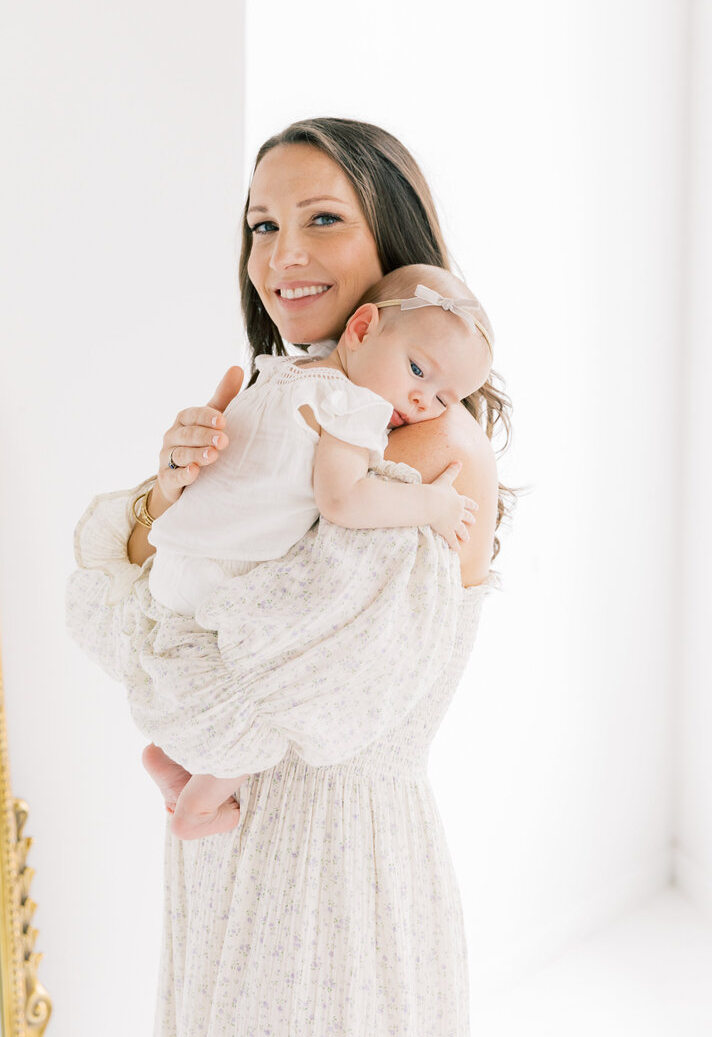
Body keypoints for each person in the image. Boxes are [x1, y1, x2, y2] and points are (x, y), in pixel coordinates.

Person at [66, 117, 513, 1036]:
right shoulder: (299, 414)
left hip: (329, 877)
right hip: (233, 853)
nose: (282, 255)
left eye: (321, 219)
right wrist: (169, 496)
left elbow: (227, 696)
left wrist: (162, 577)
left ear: (390, 246)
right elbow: (113, 619)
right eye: (262, 225)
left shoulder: (430, 445)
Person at [140, 262, 495, 841]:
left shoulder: (282, 374)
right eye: (416, 370)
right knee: (275, 688)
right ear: (361, 328)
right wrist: (434, 506)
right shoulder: (354, 408)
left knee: (220, 679)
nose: (419, 399)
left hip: (176, 560)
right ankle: (199, 805)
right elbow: (344, 499)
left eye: (443, 396)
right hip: (225, 576)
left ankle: (172, 760)